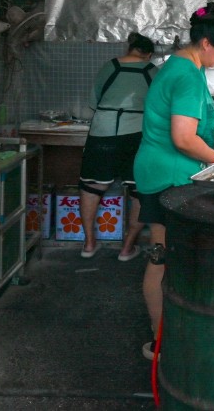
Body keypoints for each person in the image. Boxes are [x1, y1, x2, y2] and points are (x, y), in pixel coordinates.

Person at [132, 2, 214, 361]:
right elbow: (183, 138)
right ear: (207, 43)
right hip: (167, 175)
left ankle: (172, 329)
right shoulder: (184, 74)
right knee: (161, 256)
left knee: (167, 254)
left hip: (169, 172)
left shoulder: (189, 67)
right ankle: (160, 341)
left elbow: (200, 127)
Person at [78, 32, 156, 261]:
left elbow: (93, 102)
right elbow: (158, 107)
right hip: (137, 135)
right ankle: (126, 248)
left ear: (129, 48)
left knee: (91, 188)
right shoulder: (152, 71)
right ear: (148, 53)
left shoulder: (110, 67)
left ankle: (89, 244)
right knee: (139, 193)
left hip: (103, 133)